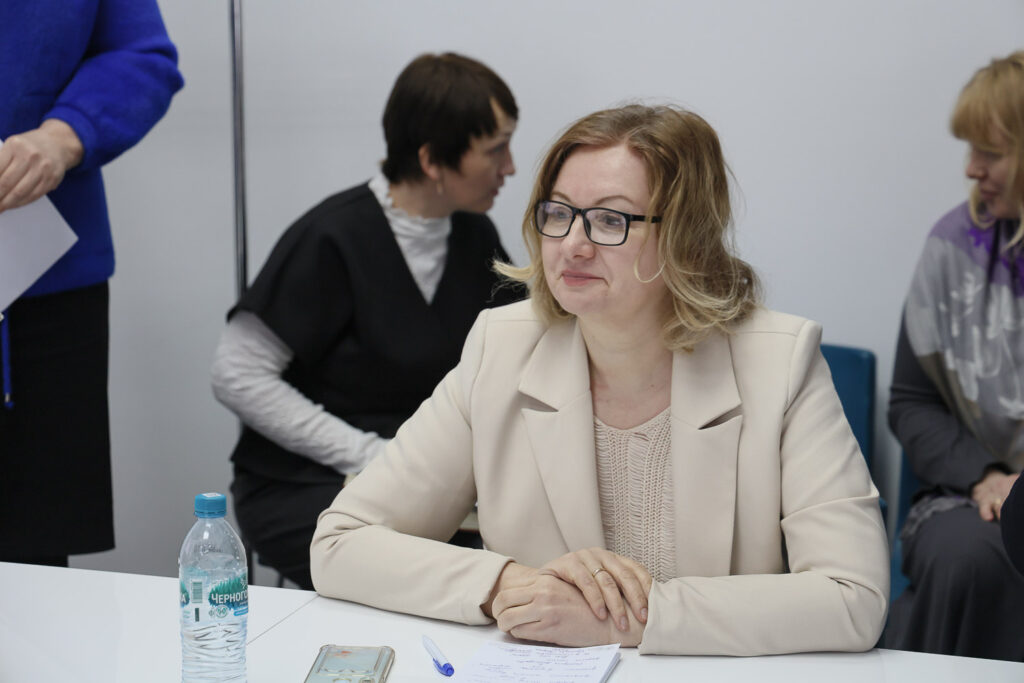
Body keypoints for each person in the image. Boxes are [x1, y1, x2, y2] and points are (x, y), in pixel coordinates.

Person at [310, 104, 889, 655]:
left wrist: (635, 618)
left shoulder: (779, 362)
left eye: (611, 219)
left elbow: (853, 597)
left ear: (685, 236)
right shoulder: (501, 347)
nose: (573, 245)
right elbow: (341, 541)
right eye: (558, 213)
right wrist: (511, 584)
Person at [211, 53, 522, 589]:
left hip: (422, 481)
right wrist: (368, 455)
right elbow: (236, 374)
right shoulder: (332, 237)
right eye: (495, 149)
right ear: (432, 160)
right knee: (422, 571)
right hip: (306, 483)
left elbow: (523, 346)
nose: (510, 167)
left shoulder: (475, 236)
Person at [0, 0, 183, 567]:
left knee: (34, 553)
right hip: (38, 265)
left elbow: (143, 55)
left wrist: (63, 137)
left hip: (38, 277)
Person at [884, 51, 1024, 661]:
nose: (971, 169)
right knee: (964, 558)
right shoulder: (951, 249)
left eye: (991, 152)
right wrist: (988, 477)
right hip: (971, 493)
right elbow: (911, 401)